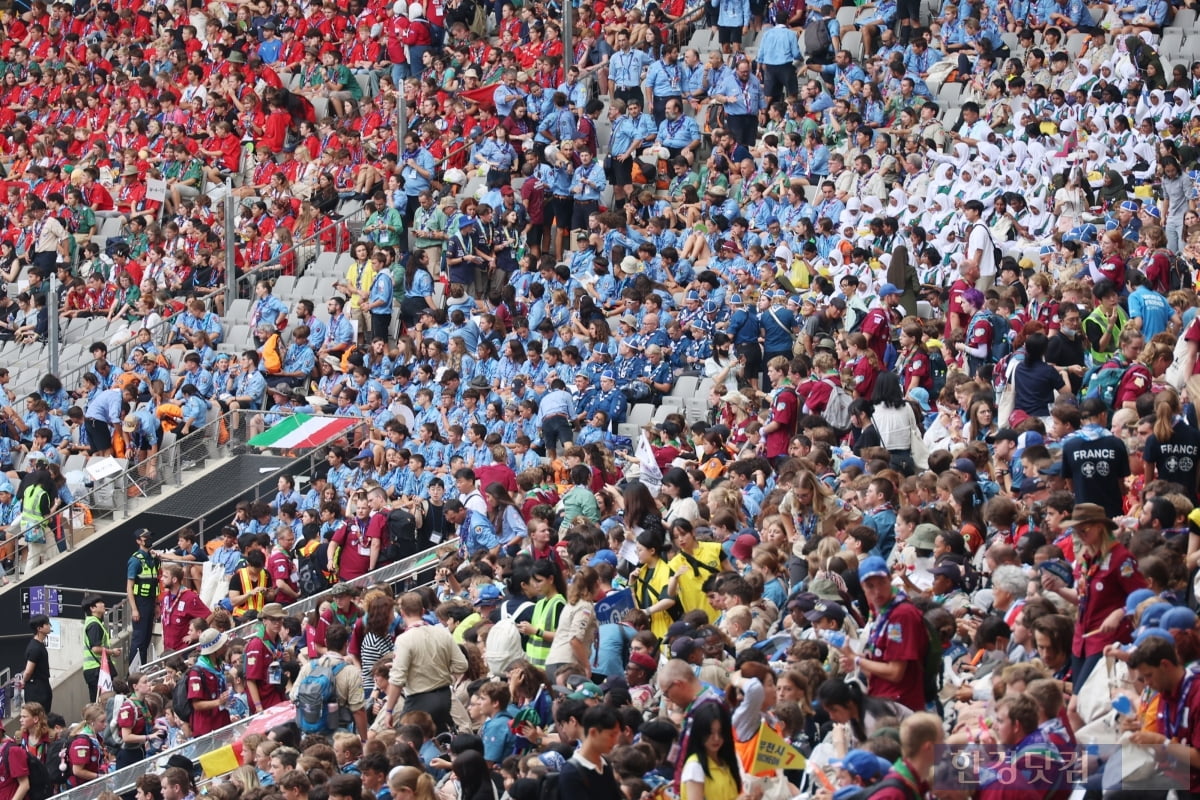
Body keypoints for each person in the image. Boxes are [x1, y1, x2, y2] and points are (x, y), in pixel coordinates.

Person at [840, 556, 927, 711]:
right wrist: (855, 660)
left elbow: (895, 673)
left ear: (890, 579)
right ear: (863, 587)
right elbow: (876, 669)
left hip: (900, 707)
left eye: (882, 583)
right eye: (870, 586)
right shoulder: (882, 611)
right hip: (882, 700)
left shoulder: (901, 614)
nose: (877, 591)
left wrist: (856, 659)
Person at [378, 592, 468, 733]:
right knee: (439, 741)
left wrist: (389, 710)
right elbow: (462, 665)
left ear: (402, 613)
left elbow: (397, 680)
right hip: (444, 698)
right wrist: (440, 670)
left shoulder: (404, 640)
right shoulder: (442, 633)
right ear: (423, 611)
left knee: (409, 745)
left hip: (419, 701)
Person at [558, 704, 624, 800]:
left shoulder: (605, 764)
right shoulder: (571, 773)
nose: (616, 741)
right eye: (612, 735)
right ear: (593, 732)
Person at [125, 527, 160, 668]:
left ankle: (143, 668)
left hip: (151, 601)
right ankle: (133, 671)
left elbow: (155, 582)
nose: (149, 540)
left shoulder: (153, 558)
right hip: (140, 602)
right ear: (138, 541)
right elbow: (129, 587)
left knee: (146, 638)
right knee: (139, 639)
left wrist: (157, 604)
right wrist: (134, 609)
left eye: (149, 537)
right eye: (145, 538)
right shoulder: (135, 560)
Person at [81, 594, 120, 702]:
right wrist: (112, 652)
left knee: (99, 701)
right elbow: (95, 649)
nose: (104, 605)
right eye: (100, 603)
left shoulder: (94, 622)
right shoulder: (94, 625)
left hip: (96, 669)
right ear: (92, 608)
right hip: (96, 670)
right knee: (100, 702)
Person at [20, 615, 51, 713]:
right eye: (46, 624)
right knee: (39, 718)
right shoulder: (35, 648)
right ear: (39, 628)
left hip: (41, 687)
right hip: (37, 690)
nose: (49, 626)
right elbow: (28, 671)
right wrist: (24, 680)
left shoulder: (38, 645)